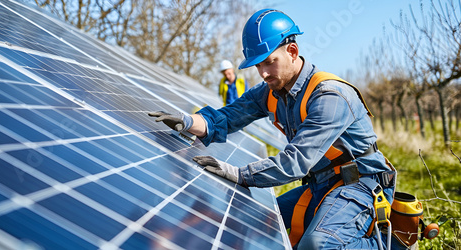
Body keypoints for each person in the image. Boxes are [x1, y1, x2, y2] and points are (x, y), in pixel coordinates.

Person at [149, 9, 402, 249]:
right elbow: (228, 116)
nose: (263, 73)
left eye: (269, 62)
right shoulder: (271, 91)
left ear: (292, 51)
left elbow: (296, 161)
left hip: (360, 185)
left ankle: (394, 246)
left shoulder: (329, 97)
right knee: (261, 224)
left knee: (318, 245)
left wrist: (241, 174)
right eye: (258, 66)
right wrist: (189, 122)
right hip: (321, 185)